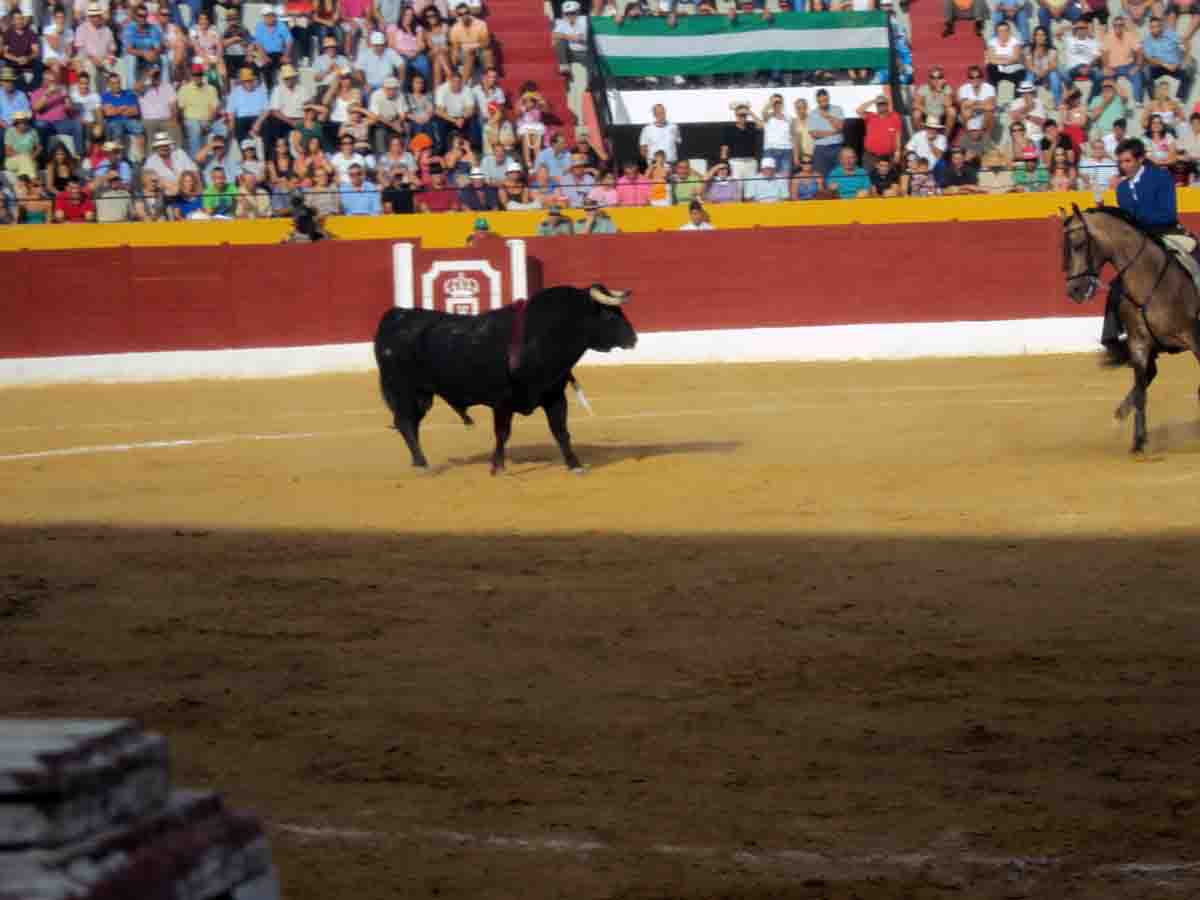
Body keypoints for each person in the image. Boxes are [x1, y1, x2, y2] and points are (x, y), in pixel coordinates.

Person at [1101, 137, 1191, 361]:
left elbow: (1168, 214)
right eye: (1121, 162)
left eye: (1128, 161)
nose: (1124, 166)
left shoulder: (1160, 177)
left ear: (1140, 159)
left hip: (1168, 234)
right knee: (1117, 284)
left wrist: (1136, 220)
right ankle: (1112, 335)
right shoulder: (1121, 189)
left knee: (1193, 260)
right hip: (1141, 243)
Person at [807, 88, 843, 178]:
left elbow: (840, 127)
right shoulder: (812, 113)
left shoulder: (837, 109)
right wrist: (834, 132)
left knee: (839, 174)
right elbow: (814, 134)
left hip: (836, 147)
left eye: (825, 100)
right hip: (821, 149)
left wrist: (828, 117)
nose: (824, 102)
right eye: (821, 100)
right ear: (817, 100)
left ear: (829, 98)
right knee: (820, 176)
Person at [552, 0, 589, 79]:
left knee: (595, 73)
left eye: (572, 13)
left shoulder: (585, 20)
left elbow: (585, 39)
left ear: (578, 12)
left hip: (587, 53)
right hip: (571, 52)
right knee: (559, 42)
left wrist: (566, 36)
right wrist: (569, 37)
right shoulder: (564, 22)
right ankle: (565, 68)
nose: (570, 15)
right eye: (567, 13)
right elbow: (554, 35)